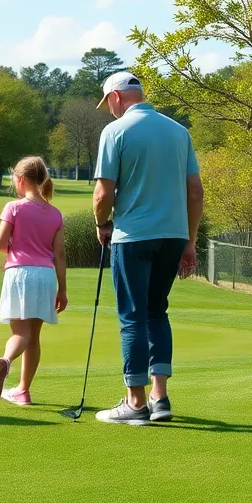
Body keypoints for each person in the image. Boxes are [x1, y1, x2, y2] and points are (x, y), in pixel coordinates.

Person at [92, 72, 203, 426]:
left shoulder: (116, 132)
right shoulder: (178, 131)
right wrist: (190, 240)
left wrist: (101, 223)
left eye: (107, 103)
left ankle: (135, 403)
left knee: (132, 317)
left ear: (115, 98)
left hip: (133, 235)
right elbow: (196, 192)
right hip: (172, 236)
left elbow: (103, 194)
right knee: (157, 312)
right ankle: (160, 397)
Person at [0, 156, 68, 406]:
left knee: (20, 333)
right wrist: (62, 289)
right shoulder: (55, 214)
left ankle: (7, 361)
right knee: (34, 337)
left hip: (19, 273)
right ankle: (23, 390)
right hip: (45, 276)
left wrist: (14, 245)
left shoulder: (14, 207)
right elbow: (60, 255)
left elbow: (0, 244)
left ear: (21, 180)